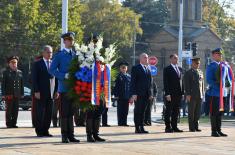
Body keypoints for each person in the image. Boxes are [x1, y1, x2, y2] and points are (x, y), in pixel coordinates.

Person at [49, 32, 80, 143]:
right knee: (64, 113)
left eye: (72, 40)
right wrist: (63, 75)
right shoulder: (59, 55)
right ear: (64, 41)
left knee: (71, 113)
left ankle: (71, 135)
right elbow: (51, 70)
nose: (71, 42)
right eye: (69, 40)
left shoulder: (75, 55)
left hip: (74, 88)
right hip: (64, 88)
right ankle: (64, 135)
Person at [32, 45, 58, 137]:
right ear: (43, 53)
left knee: (49, 112)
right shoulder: (37, 64)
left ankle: (46, 130)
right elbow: (34, 79)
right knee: (40, 112)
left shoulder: (54, 63)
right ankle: (39, 131)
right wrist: (36, 91)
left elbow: (56, 78)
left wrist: (56, 91)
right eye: (48, 52)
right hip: (41, 92)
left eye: (51, 52)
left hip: (51, 92)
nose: (50, 54)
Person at [85, 35, 106, 142]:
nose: (96, 44)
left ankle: (96, 133)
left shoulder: (100, 56)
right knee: (91, 112)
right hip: (90, 87)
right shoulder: (85, 55)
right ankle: (89, 135)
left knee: (99, 111)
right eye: (94, 42)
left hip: (100, 88)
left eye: (97, 42)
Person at [206, 48, 228, 137]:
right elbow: (209, 80)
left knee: (220, 113)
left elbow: (226, 78)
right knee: (214, 112)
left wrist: (227, 83)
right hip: (214, 93)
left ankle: (219, 130)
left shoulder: (224, 66)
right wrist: (218, 85)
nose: (220, 55)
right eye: (218, 54)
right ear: (213, 55)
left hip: (223, 93)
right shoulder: (211, 66)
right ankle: (213, 131)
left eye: (220, 54)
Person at [130, 53, 153, 134]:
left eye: (147, 57)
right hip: (138, 94)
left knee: (143, 111)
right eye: (144, 57)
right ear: (140, 59)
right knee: (138, 111)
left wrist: (150, 94)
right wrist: (134, 93)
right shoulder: (136, 68)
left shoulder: (148, 68)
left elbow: (150, 83)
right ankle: (137, 127)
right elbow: (133, 82)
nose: (146, 59)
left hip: (146, 94)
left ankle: (142, 126)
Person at [163, 54, 184, 133]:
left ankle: (175, 126)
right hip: (170, 94)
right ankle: (168, 127)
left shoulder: (180, 69)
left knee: (176, 111)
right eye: (175, 58)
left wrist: (182, 93)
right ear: (170, 59)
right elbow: (166, 82)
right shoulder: (167, 69)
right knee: (168, 111)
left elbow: (182, 82)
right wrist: (167, 94)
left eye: (177, 58)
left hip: (178, 94)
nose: (176, 60)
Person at [1, 56, 24, 128]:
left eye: (15, 62)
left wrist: (22, 93)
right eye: (12, 62)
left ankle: (14, 123)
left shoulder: (20, 72)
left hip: (17, 94)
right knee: (9, 109)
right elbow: (3, 84)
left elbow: (21, 84)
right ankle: (8, 123)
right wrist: (3, 94)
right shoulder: (6, 72)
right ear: (9, 64)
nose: (14, 64)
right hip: (9, 94)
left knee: (16, 109)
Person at [184, 57, 204, 132]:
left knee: (198, 112)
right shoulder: (188, 72)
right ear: (192, 63)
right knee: (191, 112)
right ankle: (191, 127)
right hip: (192, 95)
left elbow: (202, 84)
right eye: (196, 63)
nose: (198, 65)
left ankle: (196, 126)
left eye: (198, 63)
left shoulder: (200, 72)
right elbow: (186, 85)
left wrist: (203, 93)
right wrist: (188, 94)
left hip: (199, 95)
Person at [113, 61, 131, 126]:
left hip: (127, 96)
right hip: (120, 96)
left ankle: (125, 122)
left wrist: (131, 96)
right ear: (120, 68)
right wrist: (116, 95)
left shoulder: (129, 76)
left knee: (126, 110)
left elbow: (130, 87)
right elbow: (115, 86)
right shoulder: (118, 76)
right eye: (122, 68)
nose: (124, 69)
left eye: (125, 68)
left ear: (127, 68)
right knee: (120, 110)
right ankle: (120, 122)